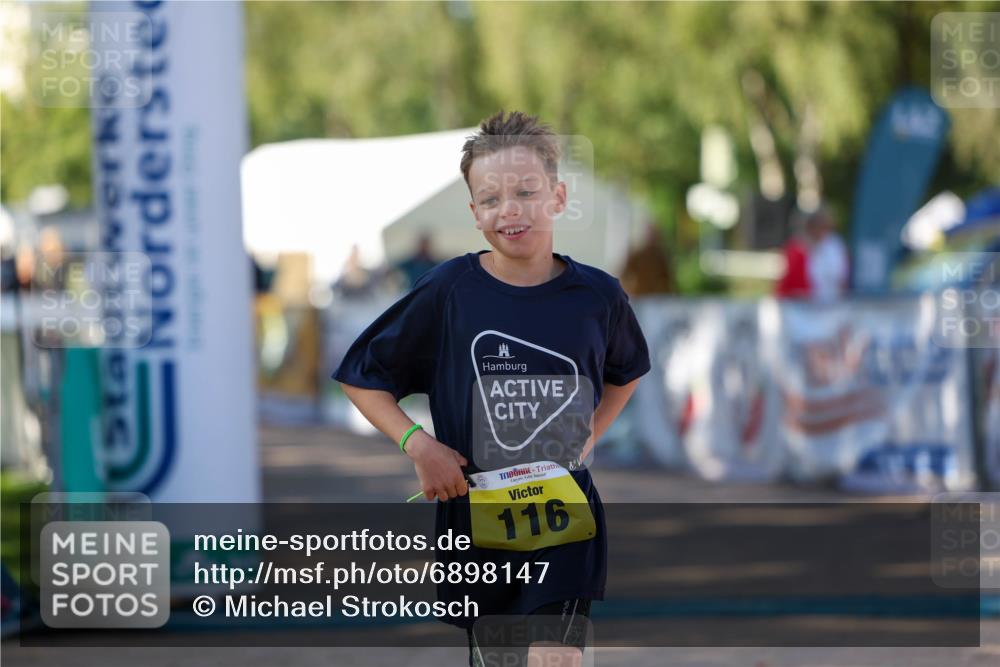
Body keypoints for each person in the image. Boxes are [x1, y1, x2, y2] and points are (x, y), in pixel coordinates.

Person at [333, 110, 651, 667]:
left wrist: (589, 435)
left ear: (558, 196)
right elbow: (362, 378)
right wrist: (419, 446)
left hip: (563, 522)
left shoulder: (598, 297)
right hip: (476, 523)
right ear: (474, 212)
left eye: (526, 192)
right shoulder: (449, 291)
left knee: (554, 659)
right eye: (491, 198)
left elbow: (625, 372)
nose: (510, 209)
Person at [804, 206, 849, 303]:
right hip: (815, 301)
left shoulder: (834, 246)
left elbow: (839, 276)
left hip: (831, 300)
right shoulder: (813, 245)